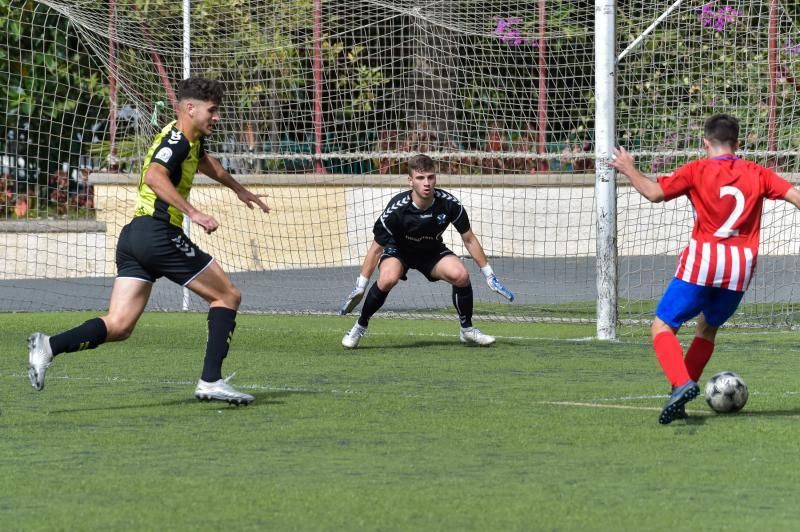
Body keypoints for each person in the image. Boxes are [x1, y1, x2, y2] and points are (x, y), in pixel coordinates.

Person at [27, 77, 270, 405]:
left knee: (120, 325)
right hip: (158, 233)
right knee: (227, 296)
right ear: (189, 108)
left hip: (135, 237)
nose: (217, 117)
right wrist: (193, 212)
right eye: (212, 110)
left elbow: (202, 160)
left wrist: (238, 188)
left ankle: (48, 346)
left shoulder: (189, 138)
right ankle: (210, 380)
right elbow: (154, 176)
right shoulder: (176, 141)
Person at [609, 113, 800, 424]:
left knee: (662, 327)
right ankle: (679, 396)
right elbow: (795, 196)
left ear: (705, 142)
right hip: (740, 266)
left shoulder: (696, 169)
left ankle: (682, 382)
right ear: (737, 144)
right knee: (707, 329)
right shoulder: (759, 173)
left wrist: (629, 169)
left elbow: (654, 193)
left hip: (705, 259)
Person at [339, 153, 514, 349]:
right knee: (388, 278)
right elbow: (375, 249)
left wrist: (489, 275)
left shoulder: (449, 203)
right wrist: (361, 285)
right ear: (410, 181)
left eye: (430, 177)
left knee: (461, 275)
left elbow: (469, 238)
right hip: (399, 251)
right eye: (420, 178)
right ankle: (359, 326)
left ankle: (467, 330)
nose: (426, 183)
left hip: (430, 251)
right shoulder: (396, 210)